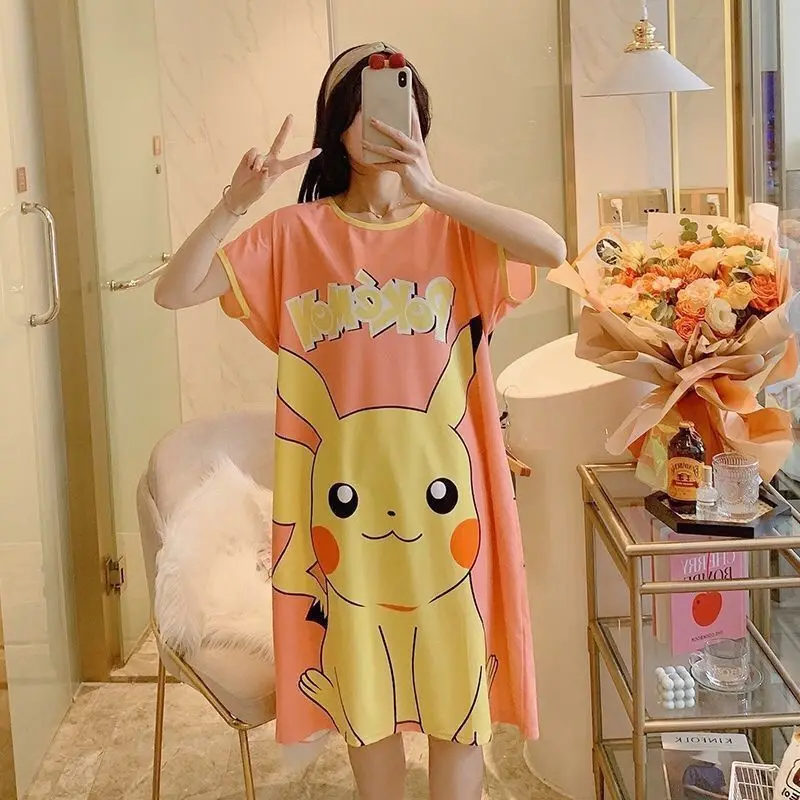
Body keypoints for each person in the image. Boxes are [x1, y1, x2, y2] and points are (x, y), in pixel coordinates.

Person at [155, 41, 566, 800]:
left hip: (448, 517)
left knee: (457, 707)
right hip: (346, 526)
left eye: (399, 105)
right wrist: (234, 202)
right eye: (365, 109)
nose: (384, 123)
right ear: (338, 125)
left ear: (419, 119)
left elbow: (551, 248)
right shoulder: (295, 235)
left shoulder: (455, 230)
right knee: (365, 705)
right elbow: (174, 290)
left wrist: (434, 191)